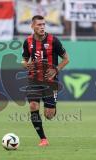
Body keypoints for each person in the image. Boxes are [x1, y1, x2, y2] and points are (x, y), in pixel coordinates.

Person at [21, 15, 69, 147]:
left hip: (50, 81)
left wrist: (56, 69)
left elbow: (66, 59)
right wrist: (25, 64)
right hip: (33, 79)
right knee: (33, 106)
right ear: (32, 26)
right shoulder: (28, 42)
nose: (42, 27)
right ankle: (43, 139)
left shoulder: (54, 40)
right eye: (39, 25)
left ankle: (51, 107)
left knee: (49, 115)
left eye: (43, 25)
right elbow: (24, 59)